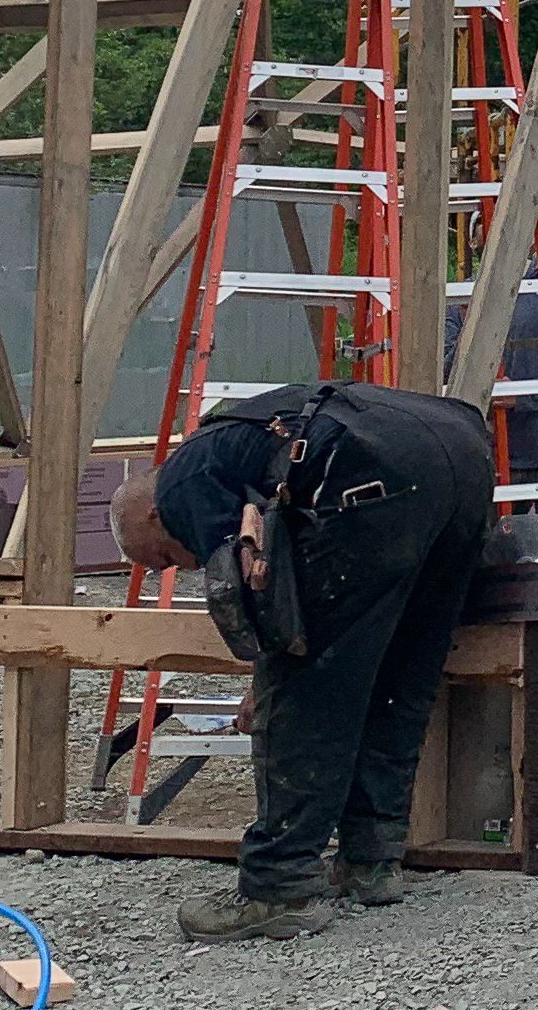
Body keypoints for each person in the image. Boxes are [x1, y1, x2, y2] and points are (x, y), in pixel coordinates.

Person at [111, 379, 498, 939]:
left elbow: (259, 602)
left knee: (305, 690)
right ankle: (372, 862)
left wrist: (269, 684)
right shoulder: (237, 447)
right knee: (400, 673)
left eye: (167, 555)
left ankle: (279, 887)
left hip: (371, 470)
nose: (184, 563)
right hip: (460, 453)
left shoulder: (178, 484)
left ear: (149, 514)